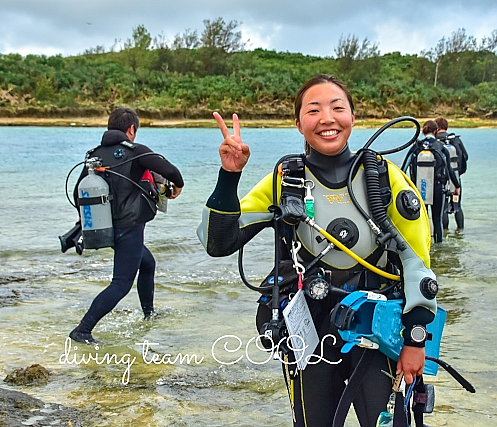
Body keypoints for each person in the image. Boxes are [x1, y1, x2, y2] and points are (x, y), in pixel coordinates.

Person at [197, 74, 439, 427]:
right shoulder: (285, 180)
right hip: (307, 335)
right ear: (298, 123)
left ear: (353, 117)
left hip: (377, 332)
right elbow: (219, 243)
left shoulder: (384, 178)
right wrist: (229, 176)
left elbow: (418, 262)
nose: (327, 118)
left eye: (337, 108)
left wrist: (417, 340)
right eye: (314, 110)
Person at [69, 107, 184, 344]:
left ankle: (149, 313)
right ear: (131, 129)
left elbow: (76, 192)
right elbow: (171, 171)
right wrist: (178, 187)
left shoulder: (94, 155)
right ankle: (83, 330)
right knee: (120, 284)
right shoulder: (136, 152)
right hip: (129, 228)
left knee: (148, 263)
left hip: (106, 227)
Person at [402, 120, 460, 243]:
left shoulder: (416, 146)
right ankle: (438, 247)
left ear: (423, 131)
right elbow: (449, 170)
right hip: (438, 188)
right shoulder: (441, 147)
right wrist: (457, 186)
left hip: (418, 188)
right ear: (435, 131)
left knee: (421, 219)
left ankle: (422, 244)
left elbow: (403, 169)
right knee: (437, 219)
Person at [435, 116, 467, 231]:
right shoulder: (455, 140)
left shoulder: (436, 142)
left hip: (442, 179)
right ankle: (460, 231)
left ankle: (445, 233)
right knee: (457, 206)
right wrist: (458, 174)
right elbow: (465, 157)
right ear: (446, 127)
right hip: (456, 178)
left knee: (443, 207)